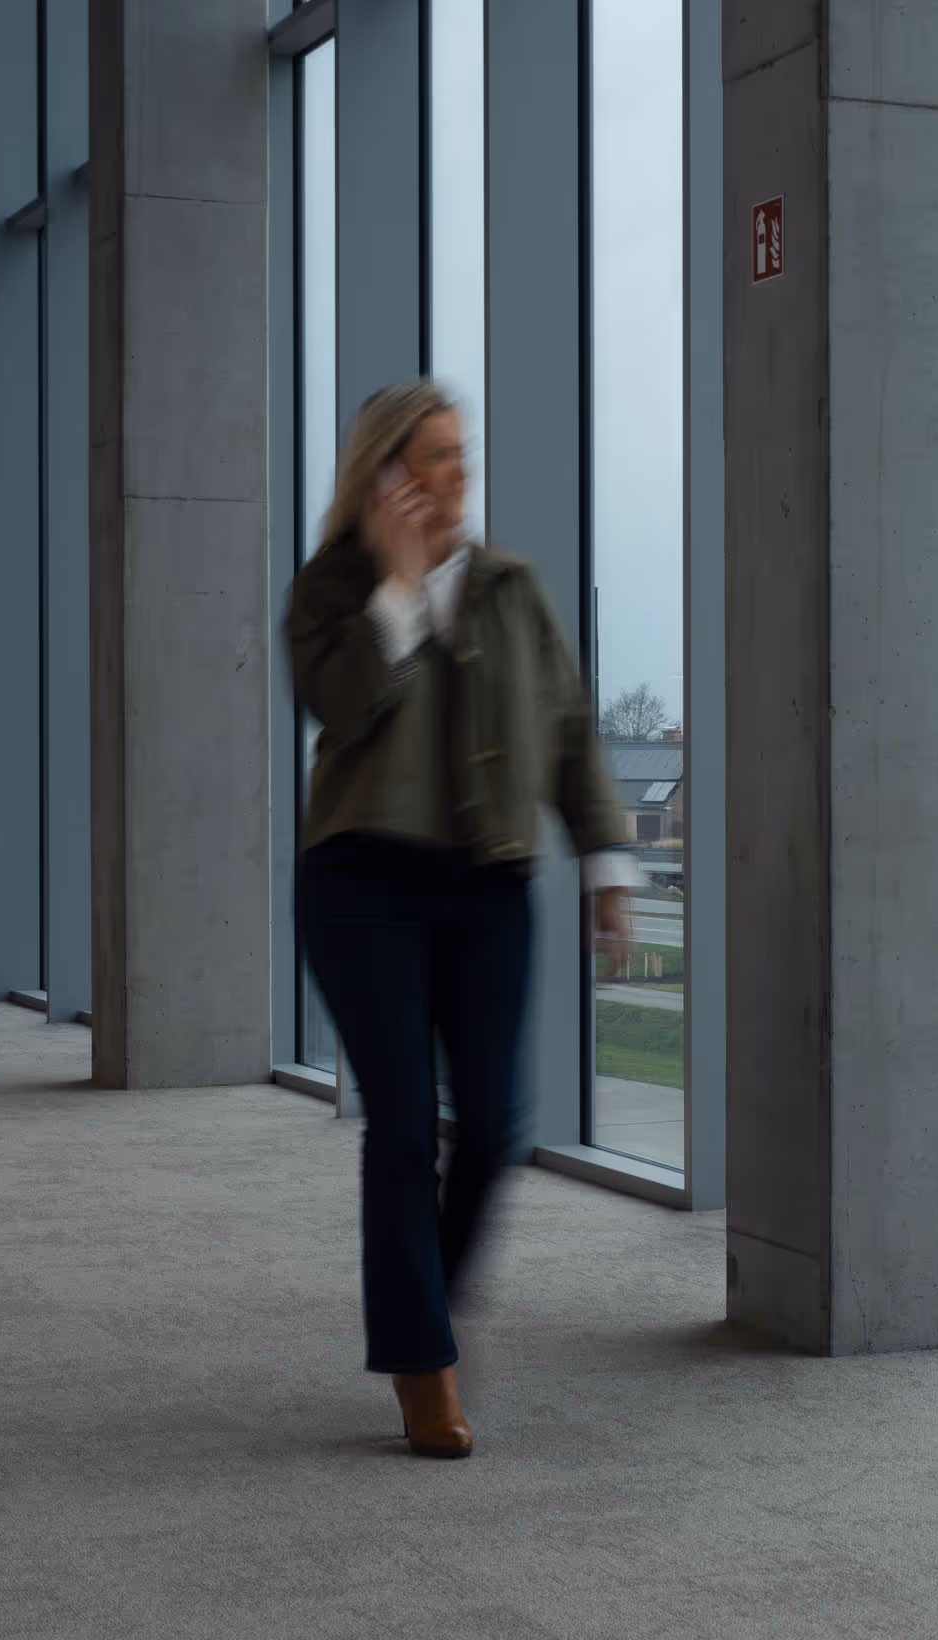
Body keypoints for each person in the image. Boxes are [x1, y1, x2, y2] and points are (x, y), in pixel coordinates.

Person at [285, 380, 638, 1459]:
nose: (456, 472)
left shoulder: (512, 588)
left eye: (459, 452)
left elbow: (570, 726)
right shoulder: (331, 589)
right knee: (401, 1123)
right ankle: (421, 1360)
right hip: (361, 885)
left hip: (491, 885)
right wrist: (396, 588)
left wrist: (605, 861)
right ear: (384, 472)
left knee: (492, 1127)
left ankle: (420, 1302)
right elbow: (338, 705)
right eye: (434, 455)